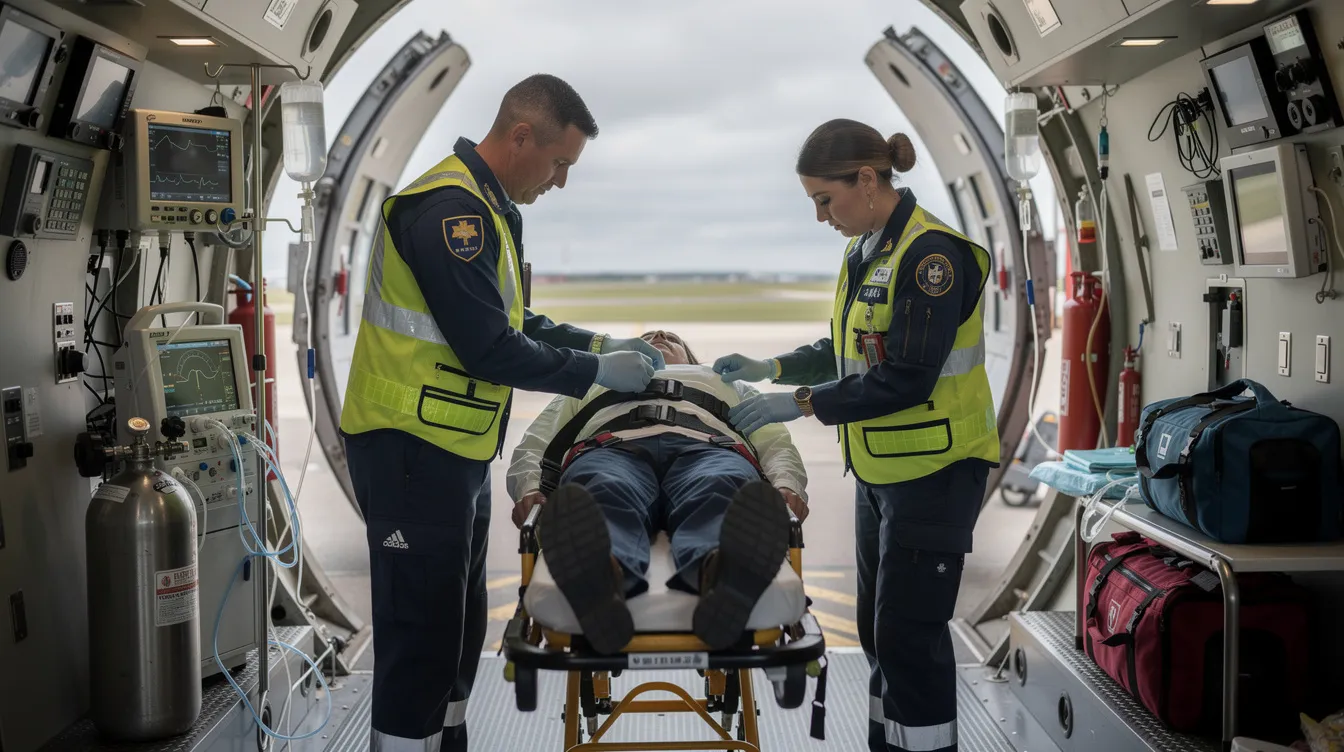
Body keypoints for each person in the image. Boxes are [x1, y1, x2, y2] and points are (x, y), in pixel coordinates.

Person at [337, 74, 665, 752]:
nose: (561, 182)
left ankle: (447, 742)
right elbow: (489, 348)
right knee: (419, 637)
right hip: (409, 449)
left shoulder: (488, 210)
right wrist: (597, 374)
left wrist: (600, 344)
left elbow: (517, 320)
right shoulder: (447, 213)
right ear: (521, 137)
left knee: (457, 632)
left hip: (453, 449)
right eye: (560, 164)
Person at [714, 120, 1000, 752]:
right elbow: (848, 350)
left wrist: (801, 404)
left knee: (910, 636)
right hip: (882, 473)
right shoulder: (865, 248)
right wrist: (775, 369)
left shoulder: (932, 258)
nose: (821, 216)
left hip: (935, 472)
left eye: (825, 198)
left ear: (867, 180)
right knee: (879, 633)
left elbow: (906, 378)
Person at [508, 330, 809, 653]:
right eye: (649, 336)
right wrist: (528, 486)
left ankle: (724, 574)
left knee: (722, 486)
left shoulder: (724, 382)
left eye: (672, 338)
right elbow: (537, 442)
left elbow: (774, 442)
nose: (661, 335)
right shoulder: (597, 377)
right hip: (612, 450)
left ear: (691, 359)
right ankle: (600, 578)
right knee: (601, 489)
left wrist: (787, 483)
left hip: (709, 450)